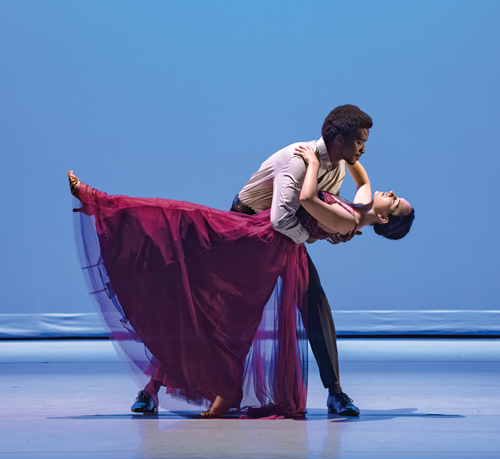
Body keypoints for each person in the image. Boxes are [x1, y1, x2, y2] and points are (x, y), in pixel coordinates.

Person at [68, 153, 413, 418]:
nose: (393, 193)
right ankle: (153, 388)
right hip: (258, 233)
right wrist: (348, 151)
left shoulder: (349, 218)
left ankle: (332, 391)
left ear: (383, 218)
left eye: (396, 201)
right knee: (188, 245)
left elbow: (308, 200)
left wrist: (311, 162)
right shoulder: (356, 198)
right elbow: (359, 173)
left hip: (275, 247)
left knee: (294, 304)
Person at [230, 104, 388, 416]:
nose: (363, 150)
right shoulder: (299, 160)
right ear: (339, 140)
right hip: (247, 231)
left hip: (285, 239)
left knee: (314, 300)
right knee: (222, 309)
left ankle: (335, 392)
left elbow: (315, 214)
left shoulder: (337, 167)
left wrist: (334, 231)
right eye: (360, 142)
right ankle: (153, 389)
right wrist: (320, 235)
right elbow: (281, 220)